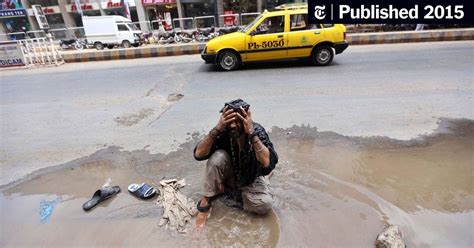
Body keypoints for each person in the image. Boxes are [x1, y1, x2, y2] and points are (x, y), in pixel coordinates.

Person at [193, 99, 278, 229]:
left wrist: (251, 133)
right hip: (230, 175)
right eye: (230, 121)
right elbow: (198, 154)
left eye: (237, 121)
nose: (233, 125)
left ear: (246, 119)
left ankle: (225, 191)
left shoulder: (257, 131)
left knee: (265, 205)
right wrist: (216, 129)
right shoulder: (222, 131)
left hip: (250, 177)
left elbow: (267, 162)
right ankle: (205, 202)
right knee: (217, 157)